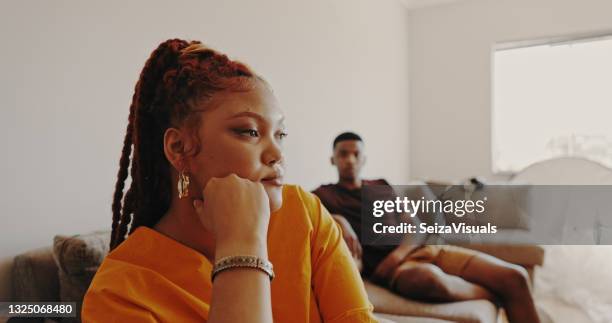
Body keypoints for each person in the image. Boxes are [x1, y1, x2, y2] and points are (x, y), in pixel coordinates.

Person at [81, 40, 378, 323]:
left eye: (280, 134)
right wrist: (242, 243)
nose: (277, 154)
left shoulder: (304, 213)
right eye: (249, 131)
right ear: (179, 148)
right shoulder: (118, 293)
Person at [312, 132, 541, 323]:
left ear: (364, 159)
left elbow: (416, 226)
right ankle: (495, 294)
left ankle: (502, 291)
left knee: (516, 277)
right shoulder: (323, 195)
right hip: (397, 272)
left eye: (356, 154)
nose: (350, 160)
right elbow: (305, 214)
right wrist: (337, 218)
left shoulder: (381, 186)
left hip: (428, 250)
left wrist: (397, 255)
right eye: (343, 154)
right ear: (332, 159)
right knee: (424, 278)